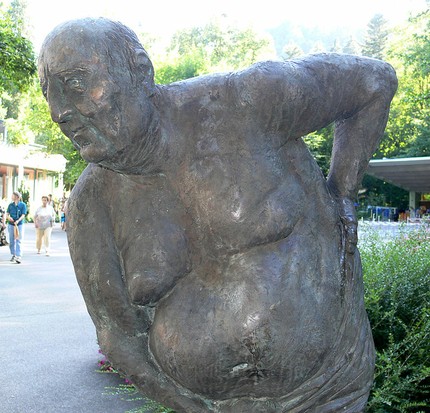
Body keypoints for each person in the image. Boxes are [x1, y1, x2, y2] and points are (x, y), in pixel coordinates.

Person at [38, 18, 398, 412]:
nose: (59, 112)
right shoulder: (90, 203)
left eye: (75, 84)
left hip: (328, 390)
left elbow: (374, 83)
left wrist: (343, 196)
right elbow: (117, 337)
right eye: (49, 93)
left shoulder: (248, 101)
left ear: (140, 71)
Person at [5, 191, 27, 264]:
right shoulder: (10, 205)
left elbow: (23, 215)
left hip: (19, 224)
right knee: (11, 240)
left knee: (19, 239)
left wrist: (18, 220)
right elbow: (7, 214)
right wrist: (8, 218)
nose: (12, 196)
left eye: (13, 195)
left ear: (17, 197)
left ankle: (18, 256)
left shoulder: (23, 205)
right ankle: (13, 254)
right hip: (11, 224)